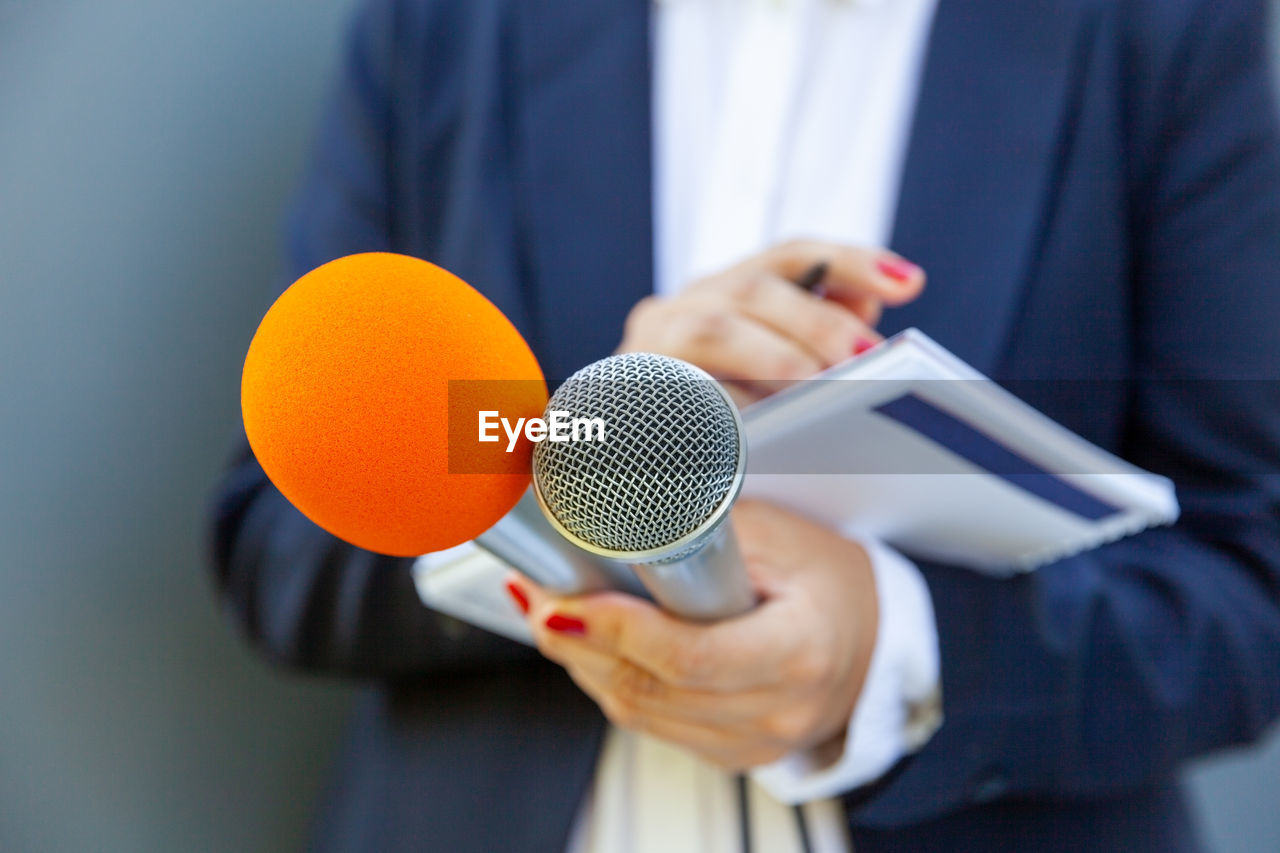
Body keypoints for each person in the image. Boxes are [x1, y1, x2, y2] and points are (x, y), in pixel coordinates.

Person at [209, 0, 1280, 850]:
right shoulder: (443, 24)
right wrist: (577, 448)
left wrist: (891, 647)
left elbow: (1249, 583)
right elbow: (285, 537)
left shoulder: (1158, 27)